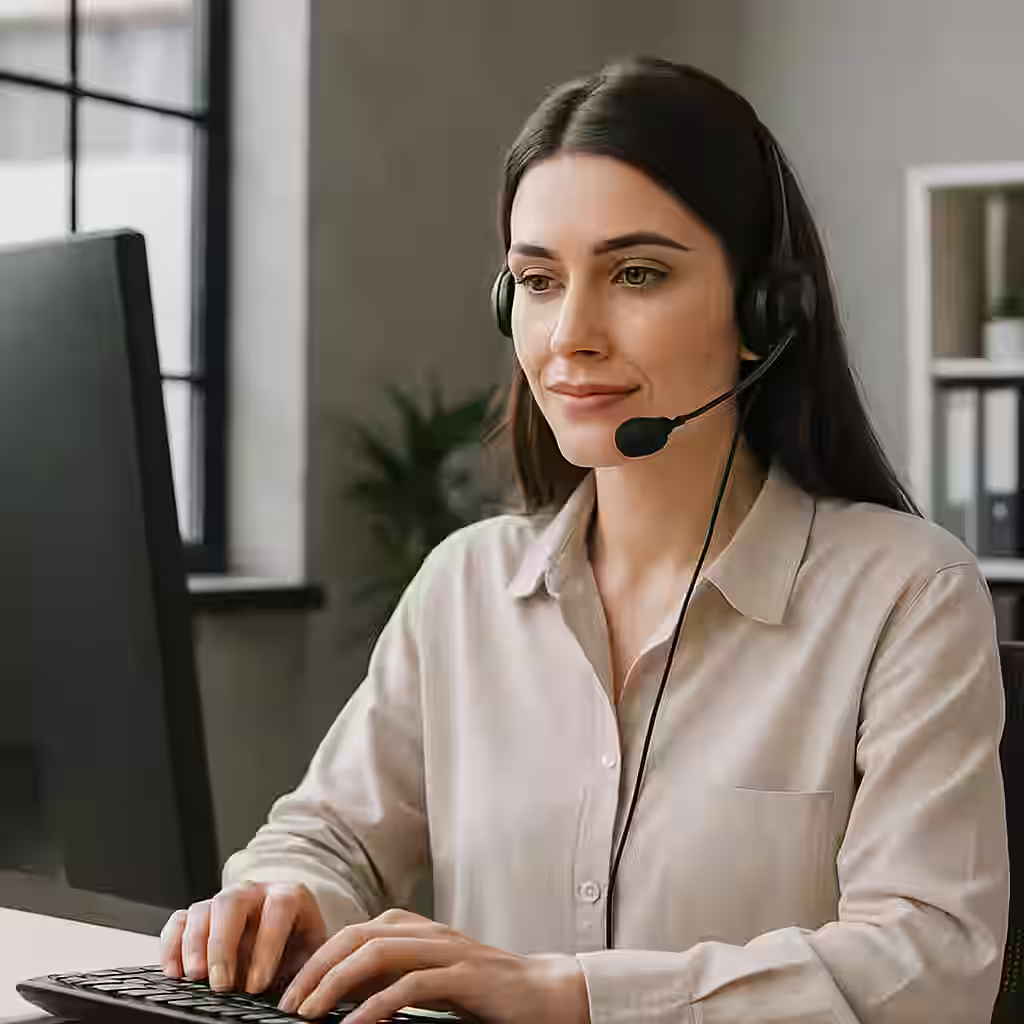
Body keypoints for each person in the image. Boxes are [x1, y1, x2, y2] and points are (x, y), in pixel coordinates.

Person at [159, 57, 1009, 1024]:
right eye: (537, 280)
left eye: (636, 273)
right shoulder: (464, 587)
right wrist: (281, 900)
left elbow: (933, 967)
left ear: (766, 312)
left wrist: (567, 995)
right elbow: (330, 838)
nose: (571, 334)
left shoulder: (906, 592)